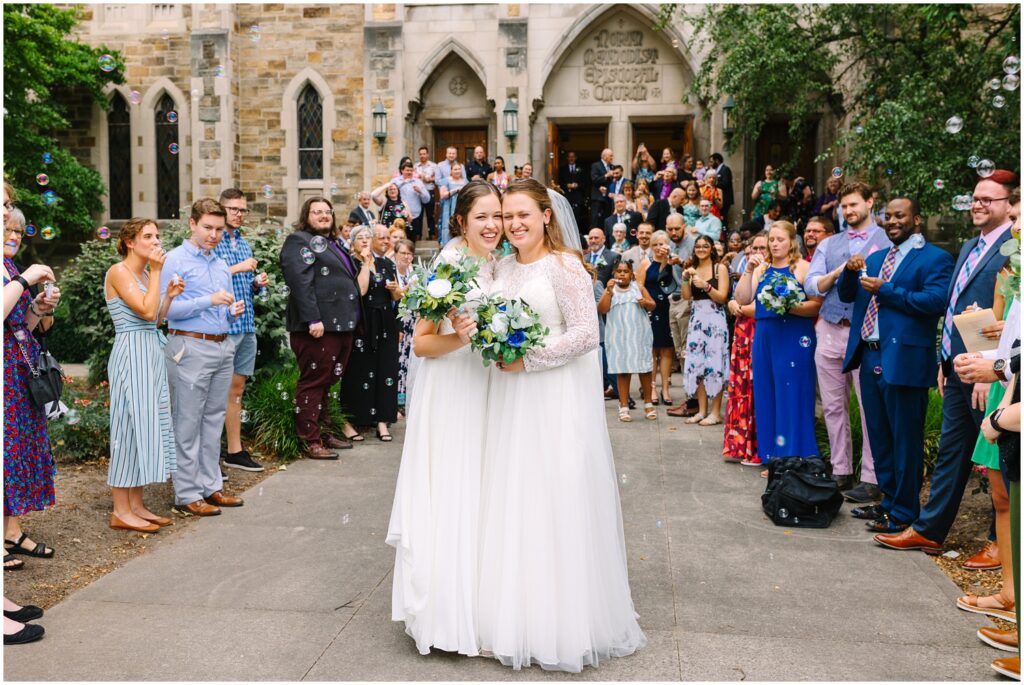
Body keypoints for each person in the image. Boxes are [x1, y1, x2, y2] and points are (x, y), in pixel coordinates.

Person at [477, 178, 646, 671]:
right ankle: (510, 618)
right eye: (507, 216)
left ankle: (560, 624)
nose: (513, 224)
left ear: (546, 216)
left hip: (552, 397)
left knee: (553, 498)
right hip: (509, 400)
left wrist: (527, 360)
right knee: (513, 496)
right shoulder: (501, 267)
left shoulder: (565, 266)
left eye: (523, 214)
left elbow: (586, 335)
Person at [873, 171, 1017, 554]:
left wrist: (991, 370)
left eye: (989, 199)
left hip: (990, 370)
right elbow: (954, 307)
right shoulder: (971, 245)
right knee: (953, 452)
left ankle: (999, 542)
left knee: (997, 456)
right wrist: (944, 358)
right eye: (975, 197)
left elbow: (1008, 314)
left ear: (1008, 205)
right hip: (957, 365)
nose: (978, 204)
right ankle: (930, 530)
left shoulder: (1013, 247)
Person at [386, 180, 501, 657]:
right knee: (456, 490)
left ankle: (484, 606)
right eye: (482, 217)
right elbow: (422, 343)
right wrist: (466, 338)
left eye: (498, 216)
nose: (493, 225)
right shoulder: (449, 266)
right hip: (454, 389)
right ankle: (448, 617)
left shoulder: (500, 263)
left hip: (489, 387)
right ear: (461, 222)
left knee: (485, 492)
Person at [837, 197, 954, 536]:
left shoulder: (935, 258)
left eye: (899, 216)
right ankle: (887, 501)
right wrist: (848, 270)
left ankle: (904, 511)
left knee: (905, 438)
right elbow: (848, 296)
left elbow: (935, 301)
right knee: (880, 436)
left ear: (916, 219)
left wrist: (887, 291)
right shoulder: (875, 258)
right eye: (887, 216)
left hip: (904, 359)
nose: (891, 222)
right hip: (870, 354)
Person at [160, 198, 246, 516]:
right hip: (189, 347)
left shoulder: (220, 263)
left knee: (213, 421)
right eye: (207, 227)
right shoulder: (175, 260)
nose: (213, 234)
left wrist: (231, 310)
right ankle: (186, 493)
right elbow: (164, 311)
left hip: (222, 346)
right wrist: (208, 300)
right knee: (187, 421)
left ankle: (211, 487)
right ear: (192, 224)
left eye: (219, 229)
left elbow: (221, 310)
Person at [805, 182, 890, 499]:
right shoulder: (830, 244)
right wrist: (839, 270)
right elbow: (813, 286)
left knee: (869, 407)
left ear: (871, 202)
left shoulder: (888, 241)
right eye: (844, 206)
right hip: (829, 328)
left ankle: (871, 476)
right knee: (832, 405)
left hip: (868, 333)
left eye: (854, 204)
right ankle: (840, 470)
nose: (849, 211)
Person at [104, 218, 182, 533]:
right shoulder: (118, 272)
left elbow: (155, 318)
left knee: (144, 428)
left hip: (149, 352)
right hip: (130, 355)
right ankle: (120, 511)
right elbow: (145, 313)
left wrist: (170, 296)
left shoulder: (146, 273)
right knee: (127, 429)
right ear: (130, 242)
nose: (155, 240)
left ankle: (136, 505)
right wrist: (160, 273)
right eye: (147, 236)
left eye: (157, 235)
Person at [280, 196, 368, 459]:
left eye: (327, 211)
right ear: (306, 216)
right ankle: (311, 440)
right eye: (316, 211)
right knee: (314, 382)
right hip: (318, 327)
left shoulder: (333, 244)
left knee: (329, 382)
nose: (323, 215)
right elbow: (299, 282)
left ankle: (325, 432)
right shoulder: (299, 241)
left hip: (340, 326)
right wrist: (312, 319)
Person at [735, 221, 822, 474]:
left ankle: (795, 454)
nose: (775, 244)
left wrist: (788, 306)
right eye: (771, 239)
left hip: (794, 336)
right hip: (765, 337)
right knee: (767, 393)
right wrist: (749, 271)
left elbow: (817, 305)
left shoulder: (803, 268)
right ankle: (772, 456)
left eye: (780, 239)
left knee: (792, 394)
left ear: (792, 241)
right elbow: (742, 299)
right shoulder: (761, 269)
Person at [3, 182, 59, 568]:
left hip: (19, 367)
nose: (9, 218)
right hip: (5, 371)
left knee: (16, 449)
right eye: (4, 208)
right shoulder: (13, 272)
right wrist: (25, 281)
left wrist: (38, 306)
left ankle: (11, 530)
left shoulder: (7, 265)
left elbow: (18, 322)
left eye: (10, 209)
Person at [213, 188, 269, 474]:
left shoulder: (244, 243)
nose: (238, 214)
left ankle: (234, 451)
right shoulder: (213, 239)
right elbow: (208, 278)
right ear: (220, 209)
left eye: (242, 210)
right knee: (213, 392)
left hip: (246, 326)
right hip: (223, 327)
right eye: (233, 209)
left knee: (237, 390)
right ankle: (209, 456)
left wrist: (256, 283)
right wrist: (238, 268)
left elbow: (244, 288)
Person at [339, 225, 401, 442]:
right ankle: (354, 418)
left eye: (368, 237)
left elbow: (397, 297)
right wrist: (366, 263)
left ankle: (383, 421)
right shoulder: (350, 264)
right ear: (353, 242)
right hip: (363, 322)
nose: (365, 240)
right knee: (359, 369)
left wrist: (394, 290)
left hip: (385, 321)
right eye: (360, 238)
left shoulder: (385, 262)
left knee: (386, 370)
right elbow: (361, 290)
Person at [723, 232, 767, 464]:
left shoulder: (772, 271)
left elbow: (759, 306)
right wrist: (735, 303)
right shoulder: (749, 267)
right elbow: (737, 296)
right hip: (742, 332)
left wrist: (738, 307)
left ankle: (757, 446)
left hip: (759, 331)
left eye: (762, 247)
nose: (756, 253)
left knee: (755, 387)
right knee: (741, 387)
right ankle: (740, 445)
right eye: (753, 249)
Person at [679, 234, 730, 425]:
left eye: (705, 246)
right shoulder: (693, 269)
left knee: (714, 364)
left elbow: (722, 298)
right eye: (698, 246)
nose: (701, 249)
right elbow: (686, 296)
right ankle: (702, 411)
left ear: (711, 249)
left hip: (715, 320)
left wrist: (706, 285)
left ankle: (715, 413)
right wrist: (686, 279)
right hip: (697, 320)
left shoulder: (720, 268)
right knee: (697, 363)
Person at [599, 260, 657, 422]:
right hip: (619, 337)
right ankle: (623, 405)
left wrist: (645, 303)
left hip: (638, 335)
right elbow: (602, 309)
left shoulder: (638, 287)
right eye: (619, 271)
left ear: (631, 274)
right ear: (614, 274)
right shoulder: (610, 290)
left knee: (644, 369)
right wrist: (608, 292)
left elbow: (653, 305)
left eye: (626, 271)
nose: (622, 274)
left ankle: (648, 403)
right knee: (622, 370)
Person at [637, 230, 676, 406]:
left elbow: (674, 282)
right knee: (652, 349)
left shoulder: (672, 262)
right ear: (651, 247)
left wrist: (669, 261)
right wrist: (648, 300)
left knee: (667, 349)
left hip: (669, 308)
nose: (660, 247)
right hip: (651, 308)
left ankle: (665, 388)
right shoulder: (646, 263)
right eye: (656, 244)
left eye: (663, 244)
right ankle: (651, 387)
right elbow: (638, 284)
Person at [392, 239, 416, 414]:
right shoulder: (392, 274)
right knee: (397, 361)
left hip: (412, 323)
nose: (406, 257)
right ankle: (395, 400)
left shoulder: (415, 274)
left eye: (409, 253)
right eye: (403, 253)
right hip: (397, 322)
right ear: (395, 254)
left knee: (407, 361)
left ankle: (404, 399)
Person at [558, 151, 588, 235]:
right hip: (567, 196)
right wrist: (567, 185)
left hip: (578, 196)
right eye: (569, 157)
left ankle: (576, 233)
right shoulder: (563, 169)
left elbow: (585, 182)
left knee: (577, 216)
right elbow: (560, 182)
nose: (571, 158)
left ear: (575, 158)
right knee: (566, 215)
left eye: (573, 157)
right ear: (567, 158)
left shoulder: (581, 168)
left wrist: (577, 185)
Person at [438, 162, 468, 246]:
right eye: (455, 169)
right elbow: (442, 195)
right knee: (448, 227)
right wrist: (455, 190)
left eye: (459, 169)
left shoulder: (465, 181)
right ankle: (446, 246)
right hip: (449, 209)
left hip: (461, 208)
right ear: (451, 171)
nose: (457, 171)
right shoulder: (446, 181)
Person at [413, 146, 438, 239]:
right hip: (418, 193)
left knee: (430, 215)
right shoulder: (415, 166)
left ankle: (432, 235)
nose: (422, 156)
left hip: (429, 191)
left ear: (427, 154)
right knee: (419, 214)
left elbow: (437, 178)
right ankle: (418, 235)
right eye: (420, 154)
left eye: (424, 154)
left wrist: (429, 179)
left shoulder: (433, 166)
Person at [590, 148, 615, 228]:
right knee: (596, 218)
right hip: (598, 197)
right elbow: (594, 179)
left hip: (608, 197)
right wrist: (606, 175)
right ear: (604, 156)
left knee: (607, 217)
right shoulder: (596, 165)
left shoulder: (612, 167)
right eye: (610, 156)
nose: (612, 158)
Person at [708, 152, 735, 219]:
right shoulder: (715, 170)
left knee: (723, 218)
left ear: (717, 161)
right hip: (717, 199)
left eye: (711, 161)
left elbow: (726, 183)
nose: (710, 164)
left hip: (725, 198)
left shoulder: (725, 169)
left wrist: (713, 184)